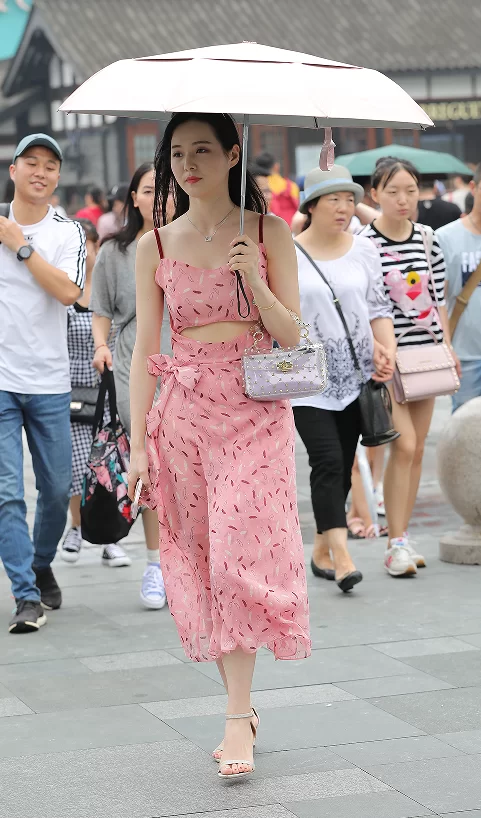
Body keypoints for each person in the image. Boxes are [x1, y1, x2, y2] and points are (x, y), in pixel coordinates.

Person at [128, 112, 311, 780]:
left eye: (203, 150)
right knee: (209, 559)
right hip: (184, 415)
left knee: (239, 554)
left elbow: (293, 336)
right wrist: (139, 445)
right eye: (177, 153)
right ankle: (241, 703)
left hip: (254, 410)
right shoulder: (153, 244)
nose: (188, 164)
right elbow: (145, 349)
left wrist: (254, 280)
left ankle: (237, 718)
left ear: (233, 155)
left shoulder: (267, 232)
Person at [292, 165, 395, 591]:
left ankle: (321, 549)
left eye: (350, 199)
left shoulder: (364, 249)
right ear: (311, 205)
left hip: (357, 376)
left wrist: (386, 349)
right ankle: (342, 556)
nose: (344, 208)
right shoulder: (287, 253)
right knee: (328, 461)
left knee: (342, 462)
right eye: (334, 199)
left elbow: (378, 307)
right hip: (306, 379)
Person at [0, 133, 86, 633]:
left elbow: (69, 293)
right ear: (13, 170)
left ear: (57, 178)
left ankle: (39, 561)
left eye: (50, 165)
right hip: (1, 382)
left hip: (50, 380)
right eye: (30, 162)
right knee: (8, 493)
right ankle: (26, 595)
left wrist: (20, 247)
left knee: (56, 490)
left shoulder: (67, 232)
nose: (40, 171)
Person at [362, 157, 460, 577]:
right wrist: (376, 350)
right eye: (393, 191)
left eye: (410, 190)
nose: (403, 199)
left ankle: (401, 537)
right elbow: (363, 302)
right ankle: (395, 542)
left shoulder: (427, 238)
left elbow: (438, 298)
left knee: (417, 449)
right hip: (387, 359)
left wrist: (448, 346)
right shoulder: (365, 242)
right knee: (402, 445)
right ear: (375, 194)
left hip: (426, 356)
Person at [91, 163, 170, 609]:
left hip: (190, 363)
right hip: (132, 362)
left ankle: (191, 558)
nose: (159, 197)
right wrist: (101, 345)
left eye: (166, 189)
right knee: (152, 460)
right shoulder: (114, 251)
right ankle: (157, 565)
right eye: (149, 189)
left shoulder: (198, 242)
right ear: (133, 199)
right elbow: (101, 308)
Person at [61, 218, 130, 567]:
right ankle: (77, 527)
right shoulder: (64, 291)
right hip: (70, 393)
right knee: (76, 468)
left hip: (108, 391)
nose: (84, 252)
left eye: (87, 245)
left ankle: (109, 536)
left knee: (109, 465)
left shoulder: (110, 289)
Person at [437, 163, 481, 412]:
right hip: (465, 355)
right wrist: (446, 346)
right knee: (467, 429)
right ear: (473, 188)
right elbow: (438, 299)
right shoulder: (445, 237)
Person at [253, 151, 299, 226]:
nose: (268, 196)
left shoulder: (257, 183)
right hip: (290, 227)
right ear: (276, 166)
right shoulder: (292, 186)